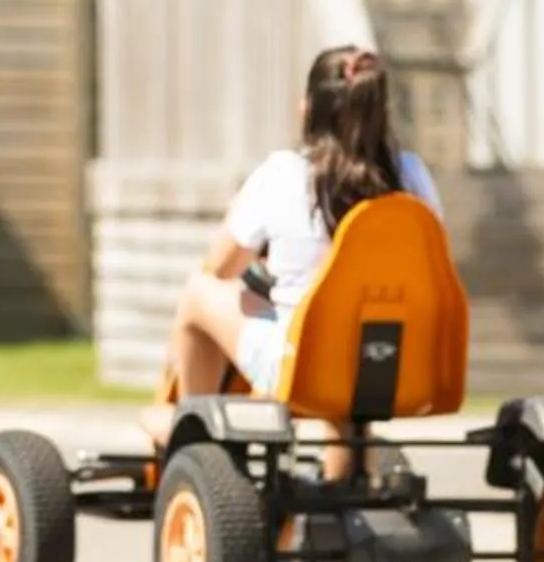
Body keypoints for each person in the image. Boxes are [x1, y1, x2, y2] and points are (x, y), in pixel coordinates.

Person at [155, 44, 446, 474]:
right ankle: (345, 480)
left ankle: (200, 439)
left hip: (304, 368)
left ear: (308, 109)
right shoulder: (412, 176)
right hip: (401, 365)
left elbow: (221, 268)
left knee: (200, 292)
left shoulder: (284, 175)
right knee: (344, 340)